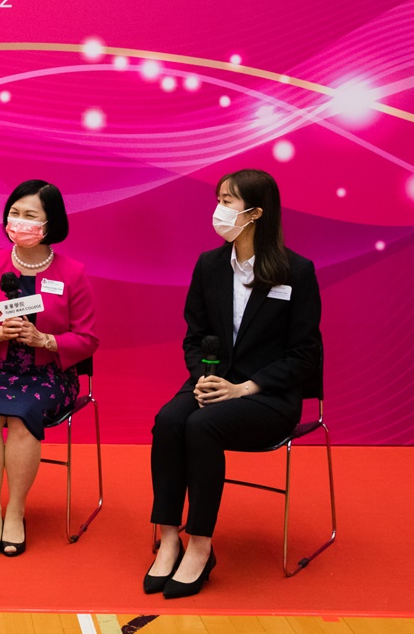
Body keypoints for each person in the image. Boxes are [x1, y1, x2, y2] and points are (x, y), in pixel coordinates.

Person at [145, 169, 323, 598]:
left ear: (256, 212)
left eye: (229, 201)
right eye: (219, 199)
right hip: (214, 384)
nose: (219, 209)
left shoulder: (296, 271)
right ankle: (169, 538)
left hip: (268, 397)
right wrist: (203, 377)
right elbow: (193, 335)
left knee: (201, 427)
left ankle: (201, 545)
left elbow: (304, 356)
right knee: (169, 419)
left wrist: (244, 388)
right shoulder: (209, 265)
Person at [0, 180, 99, 558]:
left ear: (50, 224)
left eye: (30, 216)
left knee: (22, 417)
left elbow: (87, 339)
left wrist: (45, 340)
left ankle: (16, 512)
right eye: (14, 214)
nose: (19, 222)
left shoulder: (72, 273)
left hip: (50, 375)